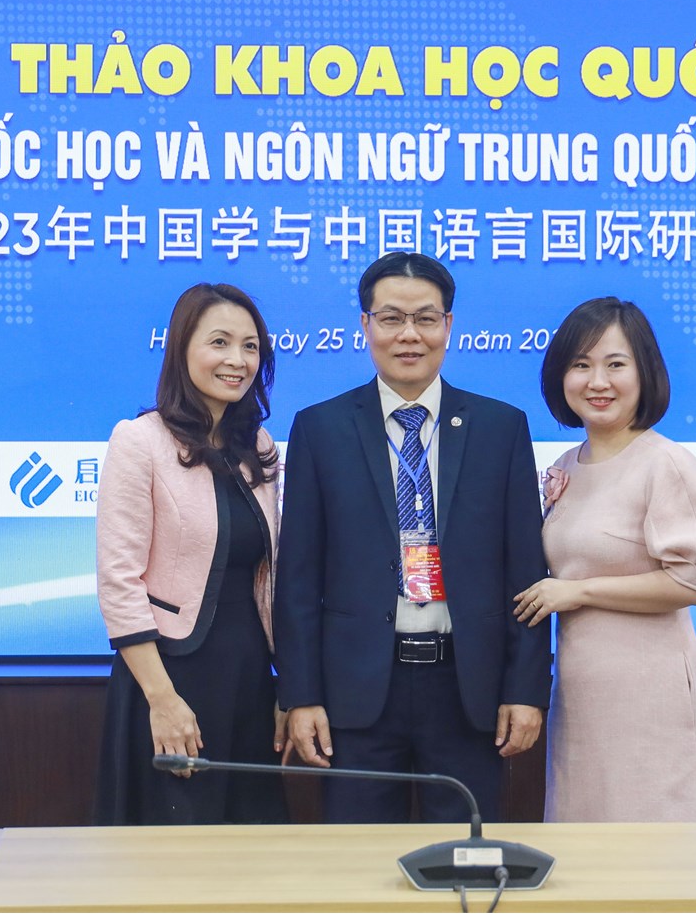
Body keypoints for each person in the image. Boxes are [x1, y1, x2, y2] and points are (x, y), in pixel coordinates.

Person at [275, 252, 552, 823]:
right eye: (391, 318)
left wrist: (526, 689)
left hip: (467, 689)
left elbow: (526, 572)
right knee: (356, 862)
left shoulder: (501, 428)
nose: (409, 335)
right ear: (365, 325)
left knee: (463, 860)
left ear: (448, 325)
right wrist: (300, 695)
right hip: (356, 694)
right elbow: (297, 579)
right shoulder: (320, 428)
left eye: (426, 318)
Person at [513, 296, 696, 822]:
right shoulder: (567, 465)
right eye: (581, 365)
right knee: (587, 842)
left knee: (655, 845)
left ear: (644, 372)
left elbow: (690, 583)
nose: (597, 381)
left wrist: (579, 591)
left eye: (615, 364)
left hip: (652, 694)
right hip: (582, 693)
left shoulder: (666, 463)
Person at [93, 283, 287, 825]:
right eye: (219, 342)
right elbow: (119, 581)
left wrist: (287, 686)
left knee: (250, 844)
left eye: (250, 347)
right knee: (174, 844)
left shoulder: (260, 448)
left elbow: (271, 576)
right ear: (182, 348)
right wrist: (163, 700)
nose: (237, 360)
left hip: (248, 676)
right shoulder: (140, 441)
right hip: (169, 674)